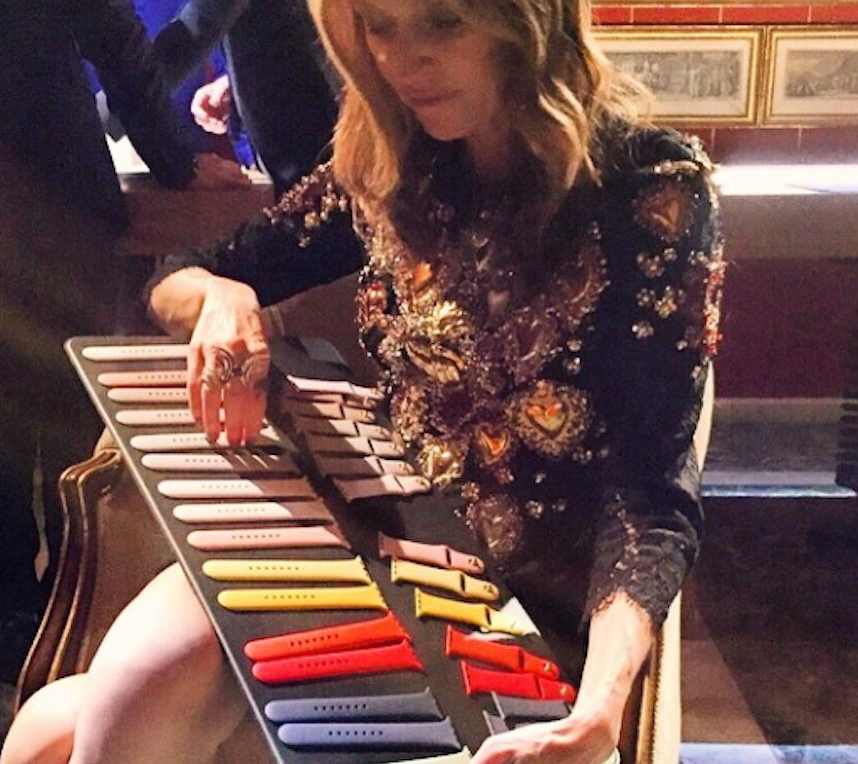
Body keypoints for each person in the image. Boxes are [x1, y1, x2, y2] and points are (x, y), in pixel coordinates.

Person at [0, 0, 724, 762]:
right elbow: (181, 276)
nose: (404, 61)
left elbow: (649, 495)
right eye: (380, 25)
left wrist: (602, 708)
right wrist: (222, 299)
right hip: (374, 552)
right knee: (69, 721)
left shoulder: (648, 190)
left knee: (81, 720)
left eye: (442, 22)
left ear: (529, 19)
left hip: (519, 624)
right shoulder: (395, 161)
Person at [0, 0, 245, 684]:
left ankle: (27, 624)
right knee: (65, 426)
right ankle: (68, 624)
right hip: (50, 197)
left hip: (45, 200)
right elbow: (111, 33)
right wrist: (173, 157)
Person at [152, 0, 339, 195]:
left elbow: (208, 16)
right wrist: (234, 82)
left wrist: (177, 161)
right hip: (292, 144)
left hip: (326, 149)